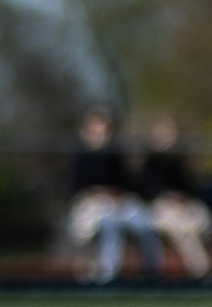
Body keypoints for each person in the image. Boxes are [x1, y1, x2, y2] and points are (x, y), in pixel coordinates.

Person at [65, 109, 162, 285]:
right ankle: (108, 277)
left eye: (105, 131)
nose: (101, 136)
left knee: (145, 224)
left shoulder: (115, 155)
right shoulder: (80, 156)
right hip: (95, 207)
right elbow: (77, 189)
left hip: (120, 203)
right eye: (95, 131)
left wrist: (118, 194)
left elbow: (128, 184)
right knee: (110, 225)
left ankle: (153, 274)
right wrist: (99, 193)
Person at [137, 115, 212, 281]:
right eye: (162, 133)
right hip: (161, 208)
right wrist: (166, 196)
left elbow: (191, 187)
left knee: (204, 221)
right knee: (184, 230)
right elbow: (146, 190)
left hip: (185, 205)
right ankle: (202, 273)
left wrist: (183, 198)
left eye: (169, 132)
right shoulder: (150, 162)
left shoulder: (181, 161)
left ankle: (210, 265)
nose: (167, 136)